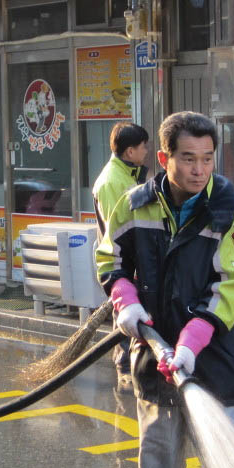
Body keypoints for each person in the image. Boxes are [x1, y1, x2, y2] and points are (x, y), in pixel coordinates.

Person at [95, 111, 234, 468]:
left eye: (207, 158)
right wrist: (125, 301)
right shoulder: (134, 205)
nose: (199, 169)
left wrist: (190, 343)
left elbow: (233, 285)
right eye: (188, 159)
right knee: (160, 464)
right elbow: (110, 258)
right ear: (164, 158)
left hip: (213, 359)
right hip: (154, 356)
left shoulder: (231, 212)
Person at [91, 122, 150, 393]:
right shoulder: (112, 182)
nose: (146, 151)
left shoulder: (125, 174)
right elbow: (118, 230)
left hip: (130, 262)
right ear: (130, 151)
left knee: (130, 317)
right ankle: (125, 370)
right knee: (125, 318)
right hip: (123, 264)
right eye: (143, 147)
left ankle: (131, 367)